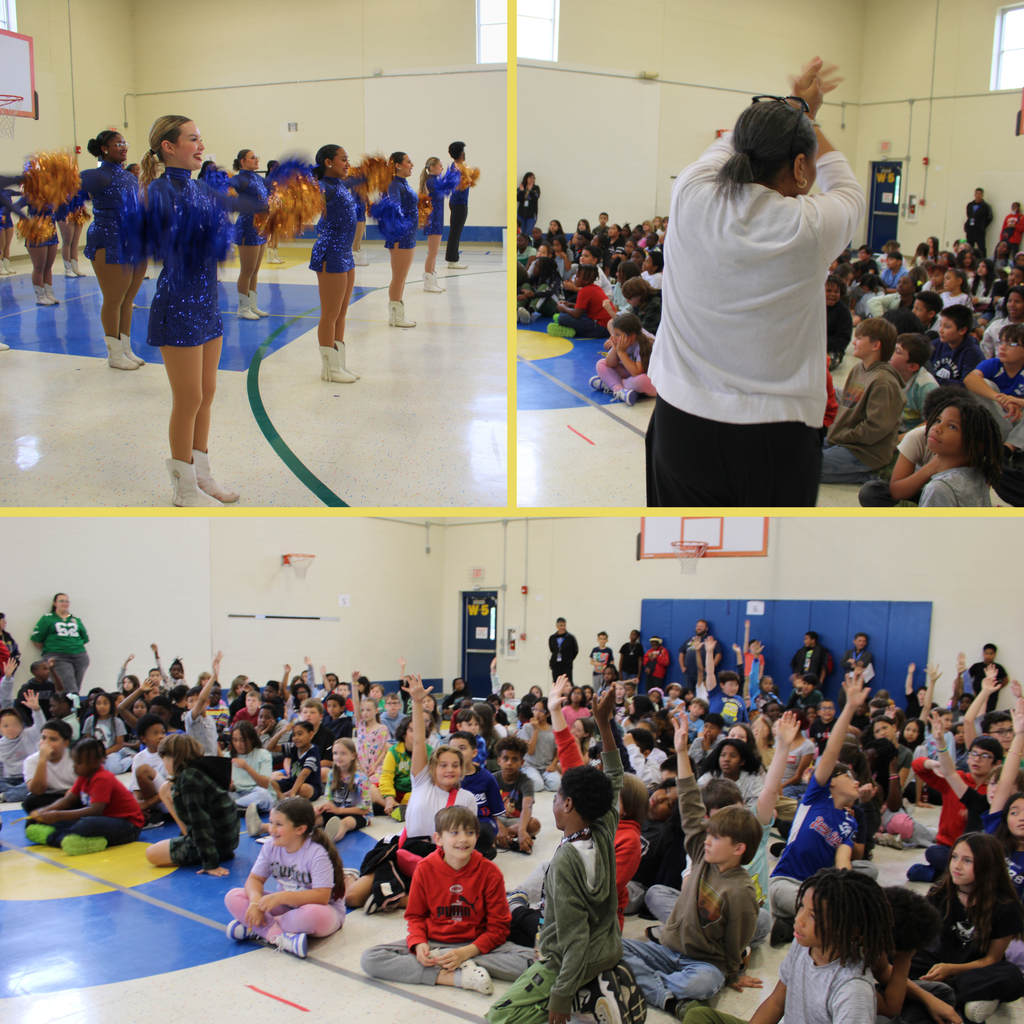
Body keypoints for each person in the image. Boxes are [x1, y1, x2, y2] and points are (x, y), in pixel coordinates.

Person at [647, 59, 864, 507]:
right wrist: (807, 112)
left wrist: (790, 107)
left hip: (680, 424)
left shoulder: (690, 192)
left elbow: (732, 142)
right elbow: (848, 187)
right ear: (801, 166)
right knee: (767, 566)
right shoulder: (811, 226)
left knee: (684, 551)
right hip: (774, 436)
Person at [486, 686, 645, 1024]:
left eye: (557, 796)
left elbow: (574, 940)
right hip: (609, 946)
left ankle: (581, 1002)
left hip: (573, 959)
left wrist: (559, 997)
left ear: (569, 804)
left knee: (500, 1017)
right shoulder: (605, 825)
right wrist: (604, 724)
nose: (554, 802)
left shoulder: (565, 863)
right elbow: (615, 775)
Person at [141, 115, 253, 507]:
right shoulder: (160, 189)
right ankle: (183, 487)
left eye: (200, 139)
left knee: (206, 393)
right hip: (179, 304)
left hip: (207, 302)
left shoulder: (201, 187)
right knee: (187, 399)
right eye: (192, 139)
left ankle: (203, 476)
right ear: (168, 147)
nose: (200, 146)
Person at [622, 709, 761, 1016]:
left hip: (704, 963)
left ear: (738, 848)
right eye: (707, 834)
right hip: (668, 950)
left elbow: (736, 943)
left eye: (716, 837)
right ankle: (666, 992)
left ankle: (651, 988)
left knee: (703, 983)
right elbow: (689, 801)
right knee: (613, 947)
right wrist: (683, 751)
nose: (707, 839)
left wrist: (733, 974)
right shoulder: (701, 852)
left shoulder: (741, 892)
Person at [362, 804, 530, 994]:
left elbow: (499, 929)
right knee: (371, 958)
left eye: (470, 833)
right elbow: (416, 916)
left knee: (533, 962)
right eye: (454, 833)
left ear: (476, 837)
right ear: (438, 839)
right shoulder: (425, 868)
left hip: (477, 944)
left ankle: (455, 961)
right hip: (435, 942)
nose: (463, 839)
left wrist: (465, 953)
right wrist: (418, 943)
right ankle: (454, 976)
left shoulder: (490, 873)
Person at [769, 673, 875, 945]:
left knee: (867, 875)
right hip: (787, 883)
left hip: (820, 890)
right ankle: (804, 917)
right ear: (831, 783)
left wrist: (847, 888)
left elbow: (843, 862)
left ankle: (799, 919)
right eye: (848, 777)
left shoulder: (849, 823)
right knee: (824, 910)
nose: (855, 781)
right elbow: (830, 752)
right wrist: (850, 707)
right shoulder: (816, 797)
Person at [904, 833, 1024, 1023]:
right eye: (954, 857)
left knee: (1013, 976)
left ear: (988, 866)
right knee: (897, 956)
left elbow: (992, 959)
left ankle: (931, 994)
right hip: (939, 961)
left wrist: (952, 970)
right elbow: (923, 939)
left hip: (975, 969)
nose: (956, 866)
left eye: (967, 861)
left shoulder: (1006, 906)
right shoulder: (941, 890)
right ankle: (965, 997)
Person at [225, 797, 347, 959]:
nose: (271, 829)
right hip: (287, 907)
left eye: (279, 824)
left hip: (322, 911)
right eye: (271, 822)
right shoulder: (270, 846)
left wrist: (281, 897)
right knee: (233, 896)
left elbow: (322, 897)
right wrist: (255, 902)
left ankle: (255, 927)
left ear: (300, 829)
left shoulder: (317, 853)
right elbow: (254, 880)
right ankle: (277, 935)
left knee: (308, 915)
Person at [906, 710, 1003, 883]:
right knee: (933, 852)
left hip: (979, 852)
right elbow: (918, 766)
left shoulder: (995, 794)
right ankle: (959, 874)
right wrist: (932, 762)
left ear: (997, 763)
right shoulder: (959, 780)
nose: (977, 759)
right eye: (973, 754)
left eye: (985, 756)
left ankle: (941, 876)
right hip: (949, 848)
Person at [79, 131, 148, 369]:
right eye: (118, 143)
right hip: (109, 240)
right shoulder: (95, 175)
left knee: (128, 299)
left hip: (134, 240)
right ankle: (114, 356)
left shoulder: (128, 175)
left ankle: (126, 349)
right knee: (114, 298)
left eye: (124, 143)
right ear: (104, 148)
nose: (124, 147)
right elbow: (65, 191)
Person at [24, 737, 145, 854]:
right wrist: (45, 811)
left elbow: (95, 811)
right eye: (74, 761)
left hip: (129, 826)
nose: (74, 766)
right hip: (104, 820)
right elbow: (68, 800)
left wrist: (58, 815)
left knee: (86, 824)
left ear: (94, 763)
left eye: (78, 762)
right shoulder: (83, 777)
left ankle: (55, 837)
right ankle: (67, 838)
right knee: (35, 822)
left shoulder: (103, 778)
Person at [820, 317, 904, 484]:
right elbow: (845, 407)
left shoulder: (884, 381)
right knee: (796, 459)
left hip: (864, 451)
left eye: (858, 338)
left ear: (875, 345)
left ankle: (874, 476)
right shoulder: (859, 369)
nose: (853, 343)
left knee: (808, 469)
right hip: (842, 439)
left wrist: (843, 435)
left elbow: (875, 428)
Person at [144, 733, 239, 875]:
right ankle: (211, 850)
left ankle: (210, 854)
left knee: (151, 853)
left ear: (173, 759)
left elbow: (201, 823)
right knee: (165, 788)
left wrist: (210, 864)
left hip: (217, 843)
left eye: (163, 760)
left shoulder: (189, 779)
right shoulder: (197, 770)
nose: (163, 765)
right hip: (226, 840)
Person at [229, 149, 270, 322]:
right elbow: (228, 191)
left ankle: (252, 305)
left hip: (260, 226)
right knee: (246, 270)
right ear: (242, 161)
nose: (256, 160)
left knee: (255, 270)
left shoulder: (257, 178)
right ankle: (242, 308)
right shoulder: (240, 178)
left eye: (256, 157)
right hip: (247, 225)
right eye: (252, 158)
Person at [591, 312, 656, 406]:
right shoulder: (623, 341)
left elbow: (637, 372)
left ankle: (612, 383)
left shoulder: (647, 342)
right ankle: (620, 390)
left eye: (617, 334)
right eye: (613, 333)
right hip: (631, 375)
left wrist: (621, 352)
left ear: (632, 336)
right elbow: (610, 364)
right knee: (601, 363)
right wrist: (614, 349)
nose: (613, 337)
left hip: (650, 381)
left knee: (641, 380)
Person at [30, 593, 90, 695]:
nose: (64, 603)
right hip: (58, 656)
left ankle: (71, 707)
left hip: (79, 655)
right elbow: (37, 640)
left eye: (67, 601)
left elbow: (84, 638)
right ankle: (71, 709)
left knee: (75, 686)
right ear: (55, 603)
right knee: (69, 688)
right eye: (61, 601)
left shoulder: (75, 619)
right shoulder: (47, 618)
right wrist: (51, 651)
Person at [493, 735, 541, 853]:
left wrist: (521, 830)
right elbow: (487, 808)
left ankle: (501, 837)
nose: (509, 763)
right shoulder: (492, 779)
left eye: (515, 759)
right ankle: (506, 838)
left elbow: (527, 806)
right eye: (505, 758)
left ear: (522, 762)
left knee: (535, 824)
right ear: (499, 760)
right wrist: (499, 826)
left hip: (515, 821)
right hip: (495, 819)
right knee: (477, 822)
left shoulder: (526, 781)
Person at [420, 156, 460, 292]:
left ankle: (433, 280)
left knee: (435, 252)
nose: (442, 168)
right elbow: (442, 190)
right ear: (432, 168)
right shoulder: (431, 181)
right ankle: (428, 283)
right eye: (440, 166)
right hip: (433, 218)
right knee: (432, 252)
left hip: (438, 218)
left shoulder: (436, 180)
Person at [890, 333, 939, 431]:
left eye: (897, 351)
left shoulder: (926, 387)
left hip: (911, 437)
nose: (890, 352)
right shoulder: (888, 373)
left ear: (912, 367)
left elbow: (930, 423)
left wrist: (898, 441)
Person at [445, 141, 471, 270]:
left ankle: (452, 258)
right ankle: (452, 259)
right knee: (455, 232)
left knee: (456, 231)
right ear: (462, 153)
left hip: (458, 202)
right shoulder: (457, 169)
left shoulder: (457, 167)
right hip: (459, 203)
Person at [548, 618, 578, 684]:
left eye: (564, 625)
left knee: (567, 682)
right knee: (556, 683)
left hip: (566, 666)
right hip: (556, 665)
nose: (563, 627)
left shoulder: (570, 637)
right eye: (561, 625)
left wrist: (569, 659)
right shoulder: (552, 638)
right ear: (557, 626)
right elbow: (552, 650)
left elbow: (575, 650)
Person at [965, 188, 993, 255]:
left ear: (983, 195)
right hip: (970, 229)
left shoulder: (985, 206)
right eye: (977, 193)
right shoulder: (970, 205)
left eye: (980, 194)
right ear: (974, 195)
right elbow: (969, 215)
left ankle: (983, 260)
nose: (978, 195)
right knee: (969, 246)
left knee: (981, 247)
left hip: (979, 231)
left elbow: (990, 217)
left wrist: (982, 226)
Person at [517, 172, 540, 240]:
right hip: (521, 214)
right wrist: (522, 191)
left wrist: (530, 190)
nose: (532, 179)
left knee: (528, 232)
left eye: (533, 178)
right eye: (530, 177)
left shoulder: (536, 188)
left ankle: (529, 246)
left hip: (531, 215)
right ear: (526, 178)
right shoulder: (521, 188)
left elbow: (536, 197)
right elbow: (518, 198)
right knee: (522, 232)